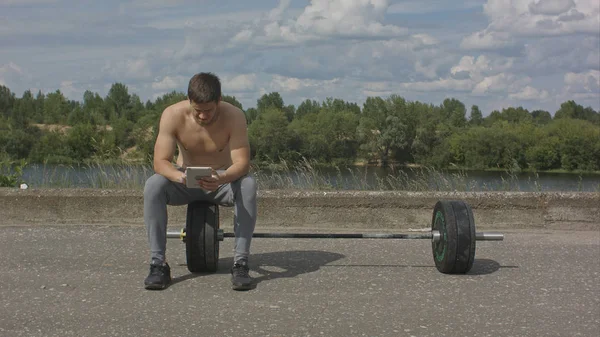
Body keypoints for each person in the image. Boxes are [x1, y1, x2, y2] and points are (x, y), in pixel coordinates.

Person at [142, 72, 257, 291]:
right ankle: (158, 265)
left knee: (248, 184)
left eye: (208, 110)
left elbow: (242, 164)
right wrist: (180, 177)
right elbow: (160, 162)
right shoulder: (172, 115)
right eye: (198, 111)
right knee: (153, 185)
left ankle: (240, 263)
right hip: (185, 180)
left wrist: (221, 177)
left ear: (219, 101)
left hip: (221, 181)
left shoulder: (235, 116)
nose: (203, 116)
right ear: (189, 101)